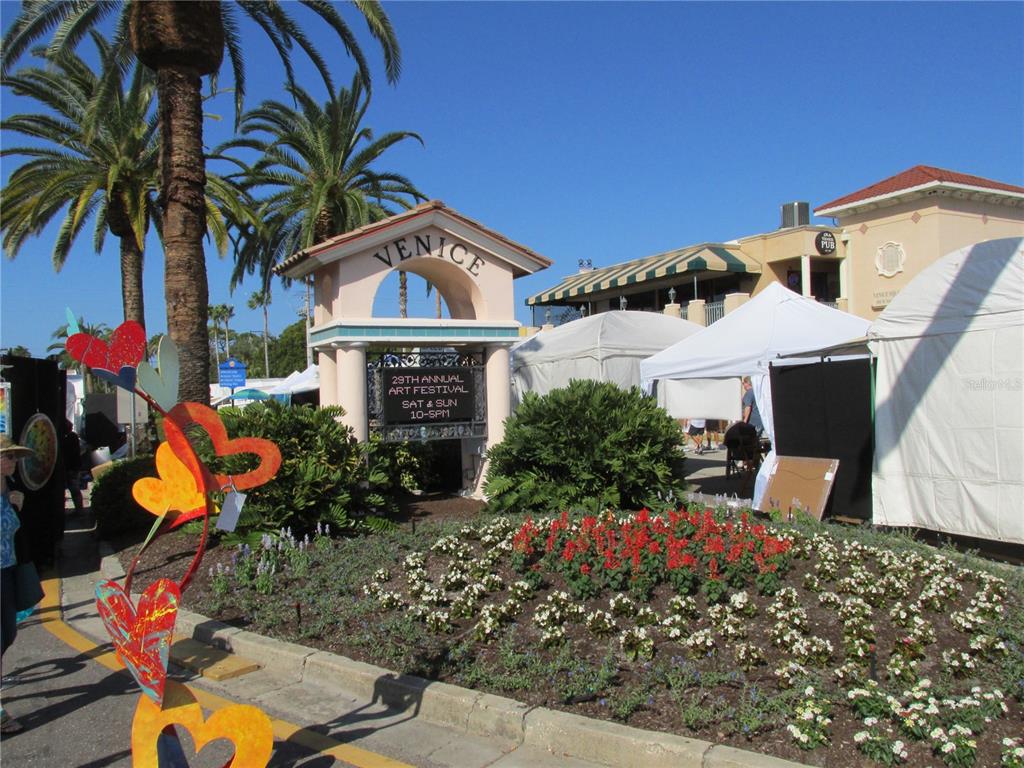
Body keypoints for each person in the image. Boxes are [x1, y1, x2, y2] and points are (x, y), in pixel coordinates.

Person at [1, 435, 35, 735]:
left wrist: (16, 506)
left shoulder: (11, 491)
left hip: (9, 570)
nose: (12, 461)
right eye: (6, 456)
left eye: (13, 456)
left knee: (8, 634)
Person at [61, 420, 84, 516]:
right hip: (74, 467)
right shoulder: (73, 437)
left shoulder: (69, 438)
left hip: (70, 468)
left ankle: (79, 511)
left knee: (73, 490)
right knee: (75, 490)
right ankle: (79, 510)